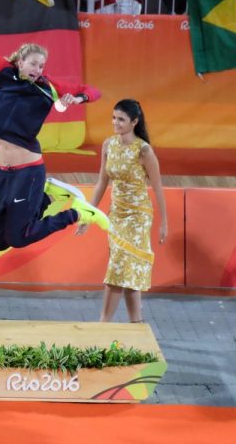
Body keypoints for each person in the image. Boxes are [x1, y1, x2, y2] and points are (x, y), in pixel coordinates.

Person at [0, 0, 110, 252]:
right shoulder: (2, 72)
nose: (38, 70)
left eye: (41, 66)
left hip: (28, 171)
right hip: (2, 172)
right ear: (20, 61)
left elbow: (93, 91)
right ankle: (47, 198)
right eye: (33, 63)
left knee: (20, 237)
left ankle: (77, 214)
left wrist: (78, 99)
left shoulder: (47, 87)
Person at [78, 100, 167, 324]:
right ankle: (136, 322)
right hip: (116, 215)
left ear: (134, 122)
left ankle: (103, 323)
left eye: (121, 119)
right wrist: (89, 214)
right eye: (114, 118)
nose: (115, 123)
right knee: (126, 269)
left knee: (120, 265)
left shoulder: (144, 151)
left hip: (138, 217)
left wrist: (164, 222)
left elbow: (157, 187)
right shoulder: (108, 145)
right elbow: (101, 182)